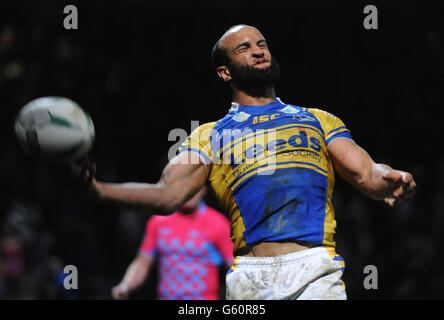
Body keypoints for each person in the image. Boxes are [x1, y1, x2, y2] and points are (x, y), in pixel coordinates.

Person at [72, 24, 416, 300]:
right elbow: (167, 195)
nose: (258, 50)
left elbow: (366, 172)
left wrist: (389, 177)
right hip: (251, 280)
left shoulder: (317, 120)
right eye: (244, 48)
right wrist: (99, 191)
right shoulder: (209, 136)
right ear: (225, 73)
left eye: (261, 43)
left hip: (315, 271)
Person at [111, 187, 233, 300]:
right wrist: (125, 285)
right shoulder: (158, 222)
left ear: (203, 190)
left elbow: (235, 268)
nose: (189, 192)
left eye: (194, 187)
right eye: (184, 186)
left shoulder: (218, 223)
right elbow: (142, 262)